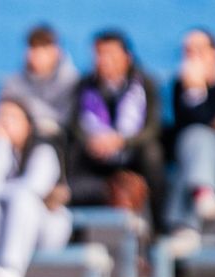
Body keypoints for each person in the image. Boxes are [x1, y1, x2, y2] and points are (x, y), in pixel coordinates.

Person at [0, 97, 72, 277]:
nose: (5, 123)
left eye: (12, 117)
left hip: (46, 227)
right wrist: (0, 146)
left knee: (23, 199)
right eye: (0, 117)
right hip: (5, 224)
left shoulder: (44, 150)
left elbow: (33, 188)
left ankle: (12, 268)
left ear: (28, 124)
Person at [68, 29, 166, 232]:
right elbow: (75, 125)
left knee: (152, 152)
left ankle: (159, 229)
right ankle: (73, 231)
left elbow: (152, 128)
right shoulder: (85, 85)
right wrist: (92, 141)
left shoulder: (145, 84)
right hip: (96, 156)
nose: (103, 60)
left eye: (110, 54)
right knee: (72, 150)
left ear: (127, 57)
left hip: (132, 156)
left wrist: (121, 141)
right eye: (99, 54)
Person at [166, 28, 215, 236]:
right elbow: (192, 122)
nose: (192, 56)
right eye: (187, 51)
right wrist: (195, 92)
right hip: (191, 148)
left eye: (198, 50)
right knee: (199, 138)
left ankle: (189, 225)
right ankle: (202, 193)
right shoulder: (181, 85)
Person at [0, 24, 80, 143]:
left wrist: (28, 108)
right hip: (16, 141)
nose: (36, 55)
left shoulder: (71, 81)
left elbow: (64, 122)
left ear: (57, 51)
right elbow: (2, 110)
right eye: (33, 48)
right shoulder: (15, 81)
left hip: (57, 145)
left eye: (43, 48)